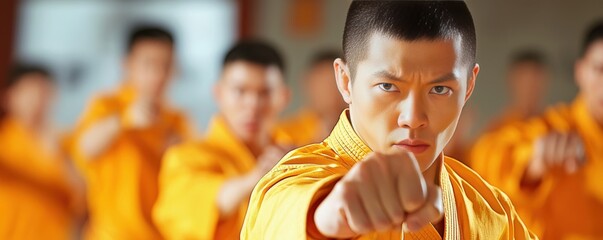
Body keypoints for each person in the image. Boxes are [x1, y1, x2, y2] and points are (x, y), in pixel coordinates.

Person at [241, 1, 536, 239]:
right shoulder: (290, 185)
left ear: (469, 86)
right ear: (345, 81)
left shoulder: (492, 211)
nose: (413, 118)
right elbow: (289, 212)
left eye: (440, 89)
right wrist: (327, 218)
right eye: (388, 87)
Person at [471, 20, 603, 239]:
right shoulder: (554, 130)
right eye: (600, 70)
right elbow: (487, 157)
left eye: (536, 80)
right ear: (580, 71)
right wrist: (533, 163)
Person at [153, 40, 292, 240]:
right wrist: (257, 178)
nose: (252, 104)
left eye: (265, 93)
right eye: (240, 91)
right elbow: (199, 206)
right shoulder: (183, 157)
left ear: (284, 97)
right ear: (219, 94)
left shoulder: (295, 156)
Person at [69, 26, 192, 239]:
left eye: (166, 65)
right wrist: (124, 120)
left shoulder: (178, 121)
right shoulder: (107, 106)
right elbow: (83, 148)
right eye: (148, 64)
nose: (158, 74)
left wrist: (178, 151)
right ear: (127, 64)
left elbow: (189, 182)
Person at [0, 64, 85, 239]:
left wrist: (60, 157)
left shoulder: (67, 143)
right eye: (29, 92)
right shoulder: (3, 141)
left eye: (44, 92)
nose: (37, 100)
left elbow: (84, 201)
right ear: (8, 97)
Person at [278, 50, 347, 146]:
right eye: (322, 85)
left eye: (333, 85)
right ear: (307, 84)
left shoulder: (360, 129)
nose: (329, 94)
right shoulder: (284, 133)